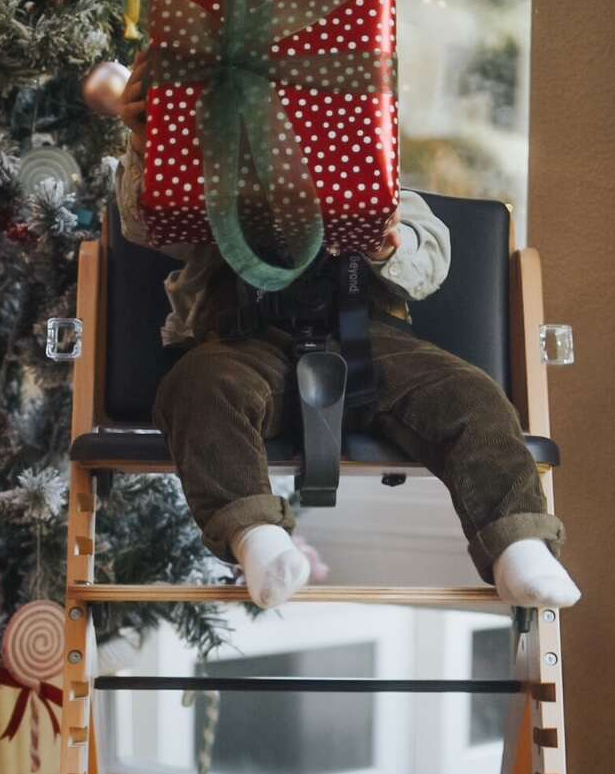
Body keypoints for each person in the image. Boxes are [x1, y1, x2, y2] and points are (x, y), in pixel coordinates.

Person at [114, 46, 582, 612]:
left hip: (370, 342)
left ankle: (519, 545)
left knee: (469, 396)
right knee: (198, 388)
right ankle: (256, 537)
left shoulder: (382, 186)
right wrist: (149, 140)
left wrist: (387, 240)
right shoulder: (211, 185)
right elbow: (145, 222)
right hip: (244, 341)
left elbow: (429, 262)